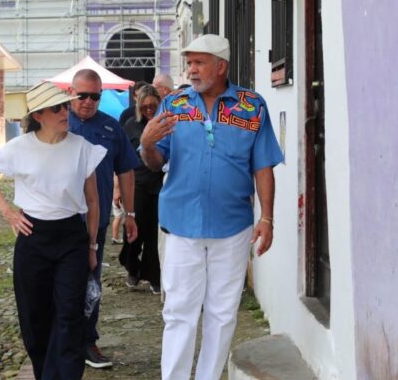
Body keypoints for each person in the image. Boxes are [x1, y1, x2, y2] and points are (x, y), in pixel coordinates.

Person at [140, 34, 283, 380]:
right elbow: (155, 162)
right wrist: (146, 143)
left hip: (232, 227)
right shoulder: (173, 105)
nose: (191, 69)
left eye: (199, 62)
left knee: (222, 313)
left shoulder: (252, 106)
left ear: (221, 66)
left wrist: (266, 217)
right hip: (181, 225)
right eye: (189, 62)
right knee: (179, 312)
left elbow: (262, 165)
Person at [0, 82, 106, 380]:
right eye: (57, 108)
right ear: (39, 116)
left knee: (69, 314)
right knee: (35, 316)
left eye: (66, 106)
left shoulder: (81, 148)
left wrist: (91, 248)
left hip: (71, 238)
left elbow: (92, 200)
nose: (66, 112)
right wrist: (8, 213)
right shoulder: (19, 148)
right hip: (33, 237)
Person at [68, 69, 141, 369]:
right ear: (71, 93)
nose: (87, 102)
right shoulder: (57, 122)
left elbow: (126, 170)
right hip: (61, 220)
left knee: (90, 283)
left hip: (94, 223)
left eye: (94, 96)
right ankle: (61, 342)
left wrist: (130, 214)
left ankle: (87, 341)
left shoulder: (111, 128)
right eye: (81, 95)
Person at [119, 85, 164, 294]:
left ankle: (154, 275)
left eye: (153, 106)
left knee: (154, 234)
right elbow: (121, 159)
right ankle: (132, 267)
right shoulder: (130, 125)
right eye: (144, 106)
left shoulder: (166, 124)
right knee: (135, 230)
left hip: (161, 183)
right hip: (137, 184)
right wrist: (117, 187)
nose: (149, 110)